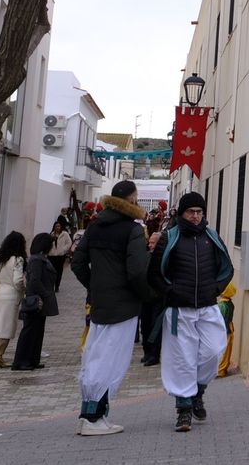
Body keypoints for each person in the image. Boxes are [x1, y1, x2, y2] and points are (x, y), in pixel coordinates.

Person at [71, 180, 153, 436]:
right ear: (130, 201)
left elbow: (77, 263)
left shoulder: (94, 228)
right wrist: (148, 295)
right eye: (136, 198)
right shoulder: (132, 230)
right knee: (112, 360)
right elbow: (138, 271)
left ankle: (92, 414)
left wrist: (94, 287)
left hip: (100, 304)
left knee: (95, 356)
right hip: (124, 306)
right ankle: (93, 418)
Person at [148, 192, 234, 432]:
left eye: (199, 212)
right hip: (179, 311)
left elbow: (227, 267)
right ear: (182, 213)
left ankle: (198, 390)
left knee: (214, 350)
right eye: (191, 212)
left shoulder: (211, 236)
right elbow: (153, 274)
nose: (196, 216)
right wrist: (170, 292)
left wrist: (215, 288)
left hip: (207, 306)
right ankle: (184, 409)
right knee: (182, 360)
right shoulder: (169, 237)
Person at [12, 233, 60, 370]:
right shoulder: (37, 260)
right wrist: (45, 294)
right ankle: (22, 360)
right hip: (36, 301)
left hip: (40, 301)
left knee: (38, 331)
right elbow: (34, 281)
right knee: (30, 331)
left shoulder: (41, 259)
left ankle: (33, 359)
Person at [0, 231, 27, 368]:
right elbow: (18, 280)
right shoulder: (18, 259)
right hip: (11, 295)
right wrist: (22, 290)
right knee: (5, 327)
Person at [139, 212, 165, 367]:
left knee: (156, 327)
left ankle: (154, 354)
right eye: (150, 242)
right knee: (145, 326)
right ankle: (146, 352)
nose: (150, 245)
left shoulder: (163, 258)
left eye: (153, 243)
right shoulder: (146, 256)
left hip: (158, 298)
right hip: (146, 297)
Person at [48, 219, 73, 292]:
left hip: (60, 256)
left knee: (59, 271)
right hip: (51, 255)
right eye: (56, 226)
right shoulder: (51, 234)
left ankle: (57, 286)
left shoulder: (64, 234)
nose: (58, 228)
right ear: (54, 227)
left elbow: (69, 243)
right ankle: (51, 285)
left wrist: (63, 249)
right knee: (51, 271)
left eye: (59, 226)